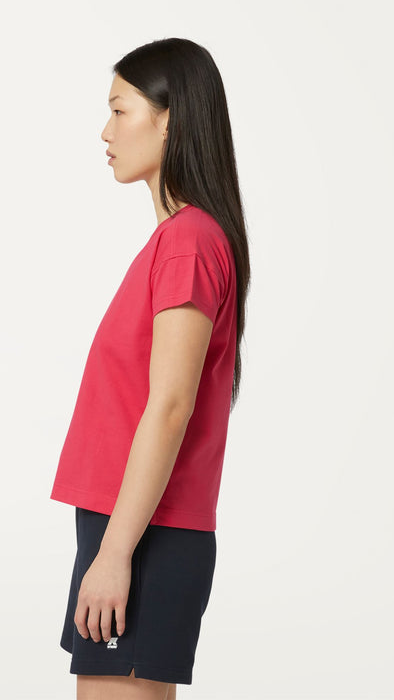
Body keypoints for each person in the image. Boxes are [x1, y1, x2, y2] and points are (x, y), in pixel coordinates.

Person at [50, 38, 251, 700]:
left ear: (170, 120)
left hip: (143, 534)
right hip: (139, 527)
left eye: (120, 110)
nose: (105, 132)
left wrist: (115, 554)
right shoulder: (184, 239)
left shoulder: (187, 242)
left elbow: (169, 407)